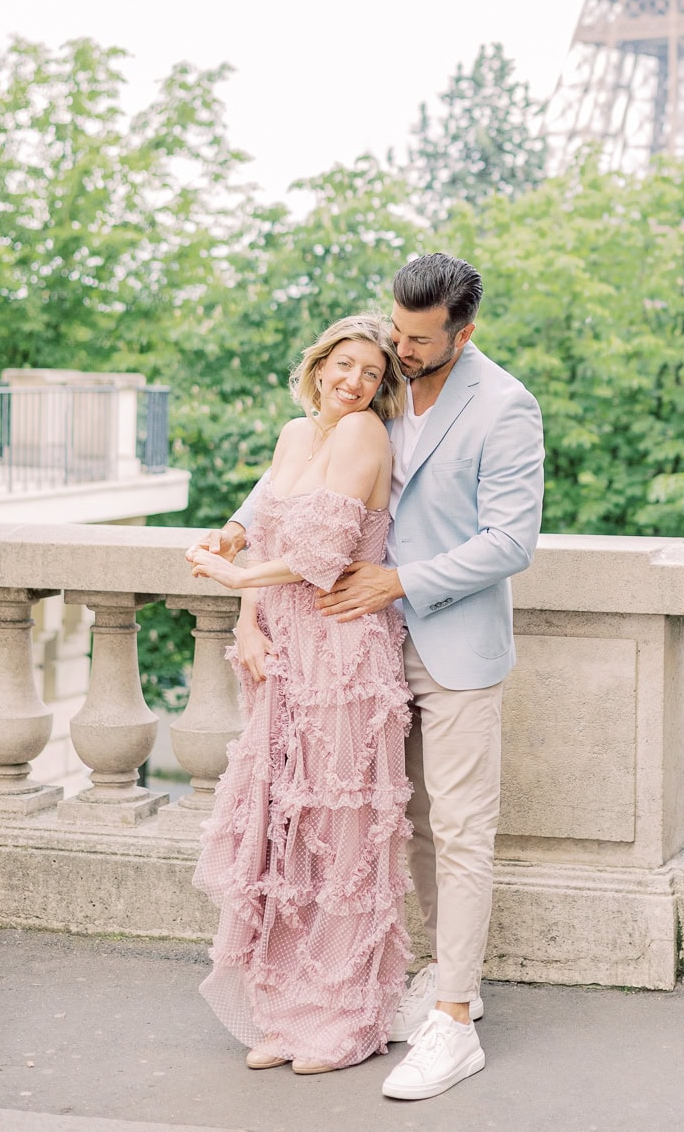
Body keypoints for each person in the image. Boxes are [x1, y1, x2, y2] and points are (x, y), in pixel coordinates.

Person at [202, 252, 545, 1102]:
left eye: (420, 337)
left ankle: (455, 1022)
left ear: (464, 332)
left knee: (461, 830)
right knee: (397, 830)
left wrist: (398, 581)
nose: (401, 346)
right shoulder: (380, 388)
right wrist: (237, 533)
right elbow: (298, 471)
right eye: (397, 327)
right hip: (354, 652)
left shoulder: (505, 406)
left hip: (451, 643)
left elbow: (512, 541)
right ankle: (411, 979)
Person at [185, 313, 411, 1075]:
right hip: (282, 654)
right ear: (318, 365)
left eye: (370, 374)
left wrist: (236, 579)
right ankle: (281, 1008)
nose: (353, 382)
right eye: (343, 365)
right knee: (282, 832)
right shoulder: (293, 435)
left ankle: (343, 1016)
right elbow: (264, 529)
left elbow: (321, 554)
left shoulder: (363, 436)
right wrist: (247, 619)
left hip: (343, 651)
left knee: (342, 836)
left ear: (382, 389)